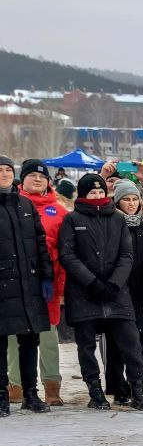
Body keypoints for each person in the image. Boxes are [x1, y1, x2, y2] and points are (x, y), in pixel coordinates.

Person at [58, 173, 143, 411]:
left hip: (116, 292)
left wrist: (114, 284)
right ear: (83, 195)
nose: (98, 195)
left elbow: (126, 255)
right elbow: (68, 255)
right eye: (92, 192)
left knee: (131, 344)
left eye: (101, 191)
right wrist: (92, 282)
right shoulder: (72, 219)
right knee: (86, 346)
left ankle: (137, 391)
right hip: (84, 293)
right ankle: (96, 393)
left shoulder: (117, 218)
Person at [8, 160, 66, 408]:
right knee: (14, 337)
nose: (38, 179)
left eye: (42, 176)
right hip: (16, 282)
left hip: (47, 283)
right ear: (22, 180)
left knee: (48, 337)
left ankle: (51, 386)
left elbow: (65, 252)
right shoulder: (10, 205)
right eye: (32, 175)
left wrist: (61, 288)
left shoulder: (59, 211)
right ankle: (16, 385)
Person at [0, 155, 53, 416]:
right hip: (3, 284)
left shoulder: (25, 204)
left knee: (30, 341)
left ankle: (31, 394)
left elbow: (40, 242)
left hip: (28, 283)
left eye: (8, 170)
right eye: (0, 170)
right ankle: (1, 396)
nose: (5, 174)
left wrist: (46, 275)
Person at [104, 179, 143, 405]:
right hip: (119, 289)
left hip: (140, 289)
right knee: (117, 341)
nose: (132, 203)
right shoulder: (112, 224)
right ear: (117, 202)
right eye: (126, 199)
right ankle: (117, 386)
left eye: (135, 199)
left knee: (139, 338)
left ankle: (136, 380)